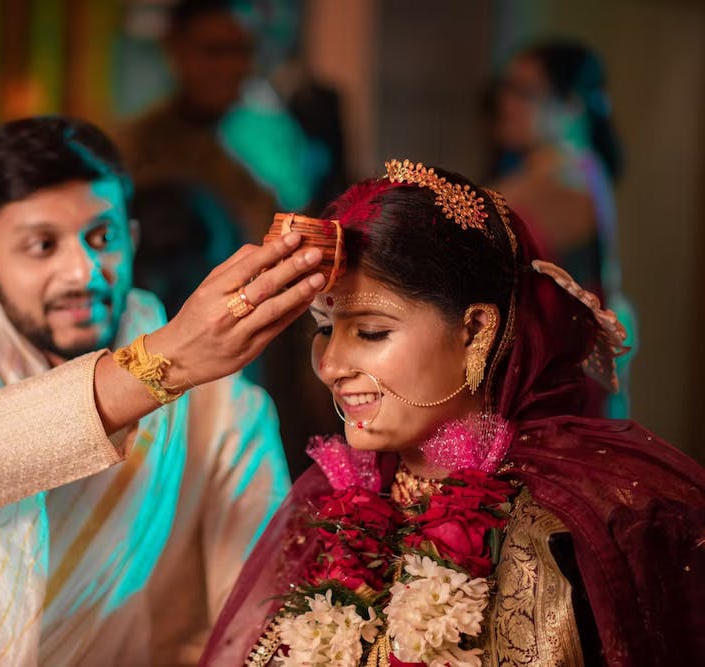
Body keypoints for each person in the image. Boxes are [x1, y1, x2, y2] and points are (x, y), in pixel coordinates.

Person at [0, 116, 331, 665]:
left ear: (131, 240)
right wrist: (164, 364)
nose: (83, 271)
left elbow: (257, 608)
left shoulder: (220, 401)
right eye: (42, 245)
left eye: (102, 237)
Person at [201, 161, 704, 666]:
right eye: (325, 328)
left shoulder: (577, 533)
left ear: (475, 330)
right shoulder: (326, 516)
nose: (331, 364)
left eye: (370, 332)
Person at [491, 39, 635, 417]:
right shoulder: (566, 173)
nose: (506, 103)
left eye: (524, 92)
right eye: (505, 89)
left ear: (571, 104)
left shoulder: (572, 178)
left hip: (562, 381)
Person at [117, 0, 276, 242]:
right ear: (175, 51)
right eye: (214, 51)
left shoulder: (257, 140)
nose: (233, 67)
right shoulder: (135, 149)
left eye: (242, 51)